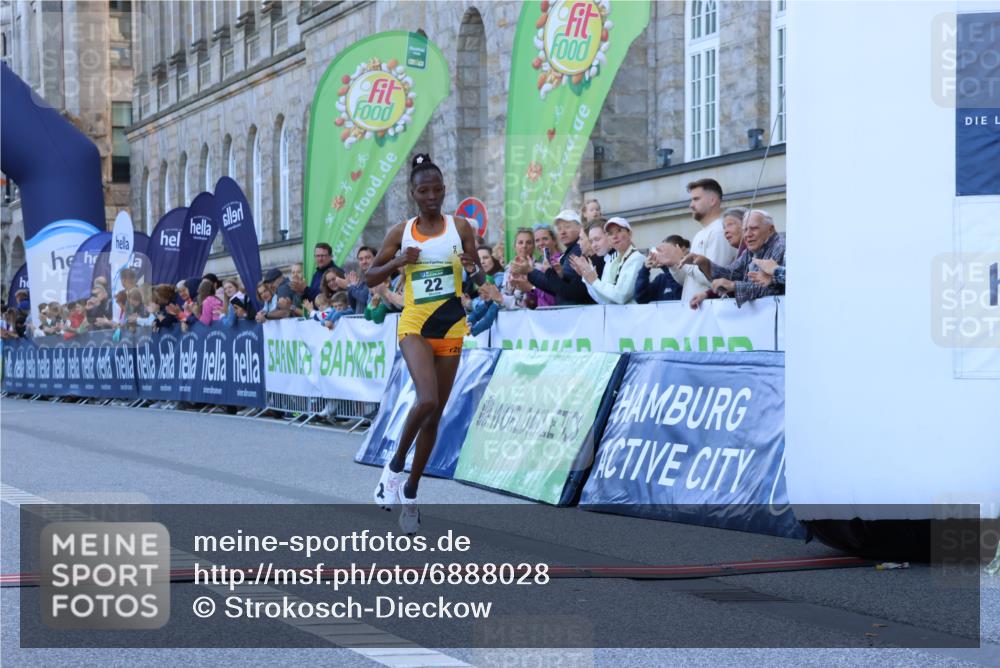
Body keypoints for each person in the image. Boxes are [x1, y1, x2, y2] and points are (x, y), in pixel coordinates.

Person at [365, 153, 483, 534]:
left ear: (444, 190)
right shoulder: (401, 232)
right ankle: (394, 467)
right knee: (427, 399)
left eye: (437, 190)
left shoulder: (460, 227)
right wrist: (399, 261)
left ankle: (411, 493)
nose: (431, 197)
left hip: (451, 326)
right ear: (412, 193)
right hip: (414, 324)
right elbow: (369, 277)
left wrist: (474, 268)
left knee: (434, 416)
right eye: (423, 191)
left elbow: (479, 275)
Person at [681, 209, 786, 308]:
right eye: (745, 230)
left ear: (770, 229)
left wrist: (734, 286)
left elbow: (774, 290)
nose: (748, 234)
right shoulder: (749, 251)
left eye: (754, 228)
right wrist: (704, 263)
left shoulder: (781, 247)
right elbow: (731, 274)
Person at [662, 179, 738, 301]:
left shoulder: (719, 231)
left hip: (710, 309)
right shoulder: (700, 234)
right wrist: (673, 264)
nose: (691, 205)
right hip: (696, 309)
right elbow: (687, 281)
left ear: (712, 200)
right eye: (691, 200)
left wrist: (680, 260)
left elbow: (715, 280)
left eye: (696, 199)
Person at [514, 210, 591, 306]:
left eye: (567, 227)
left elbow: (562, 290)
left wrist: (530, 274)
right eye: (559, 228)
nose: (562, 232)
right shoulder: (569, 253)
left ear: (580, 228)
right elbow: (559, 288)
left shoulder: (577, 251)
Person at [570, 217, 645, 305]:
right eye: (611, 233)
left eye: (619, 230)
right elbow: (604, 300)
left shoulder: (636, 258)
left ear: (630, 234)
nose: (615, 236)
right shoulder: (612, 261)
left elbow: (621, 296)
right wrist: (586, 276)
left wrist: (593, 280)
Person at [635, 235, 688, 303]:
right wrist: (645, 269)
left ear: (681, 250)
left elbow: (680, 296)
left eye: (667, 251)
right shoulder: (661, 279)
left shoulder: (689, 276)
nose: (663, 255)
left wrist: (666, 267)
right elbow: (640, 298)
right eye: (661, 252)